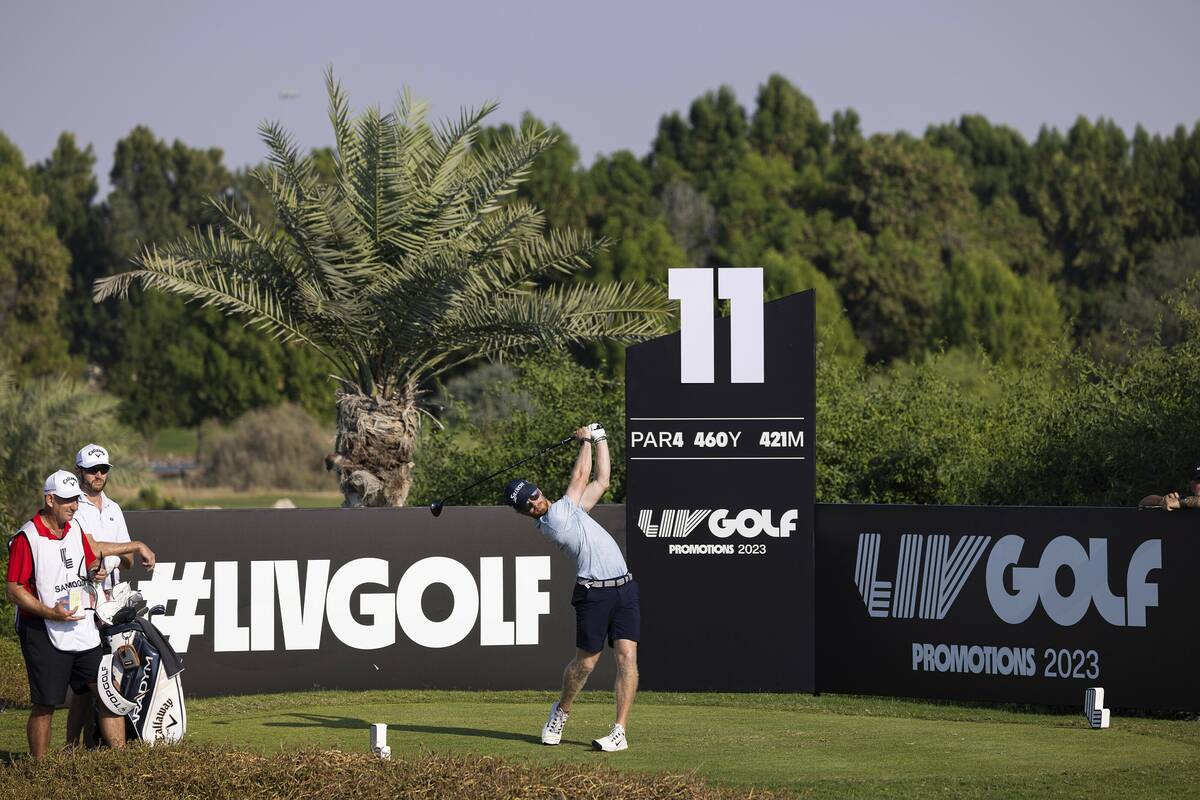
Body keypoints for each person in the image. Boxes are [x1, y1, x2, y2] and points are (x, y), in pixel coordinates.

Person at [503, 423, 639, 753]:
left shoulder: (571, 510)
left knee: (627, 657)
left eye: (533, 494)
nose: (535, 502)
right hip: (594, 593)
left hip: (624, 588)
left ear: (537, 489)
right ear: (524, 513)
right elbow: (581, 476)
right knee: (586, 664)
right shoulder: (557, 521)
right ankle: (561, 711)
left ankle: (619, 730)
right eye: (527, 505)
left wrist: (601, 436)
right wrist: (586, 440)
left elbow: (601, 481)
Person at [6, 470, 156, 758]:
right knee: (46, 703)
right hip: (43, 629)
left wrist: (94, 570)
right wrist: (50, 611)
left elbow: (87, 563)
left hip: (82, 626)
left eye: (75, 500)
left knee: (105, 691)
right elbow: (14, 589)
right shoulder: (28, 537)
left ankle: (121, 760)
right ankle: (40, 771)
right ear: (50, 499)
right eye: (66, 501)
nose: (73, 506)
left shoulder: (74, 529)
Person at [68, 443, 132, 747]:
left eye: (103, 469)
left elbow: (128, 557)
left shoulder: (114, 508)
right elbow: (89, 550)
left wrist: (114, 556)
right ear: (80, 470)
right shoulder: (72, 505)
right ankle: (71, 745)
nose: (98, 475)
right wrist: (112, 553)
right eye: (93, 469)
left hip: (111, 601)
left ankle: (98, 745)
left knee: (109, 675)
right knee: (85, 681)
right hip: (81, 598)